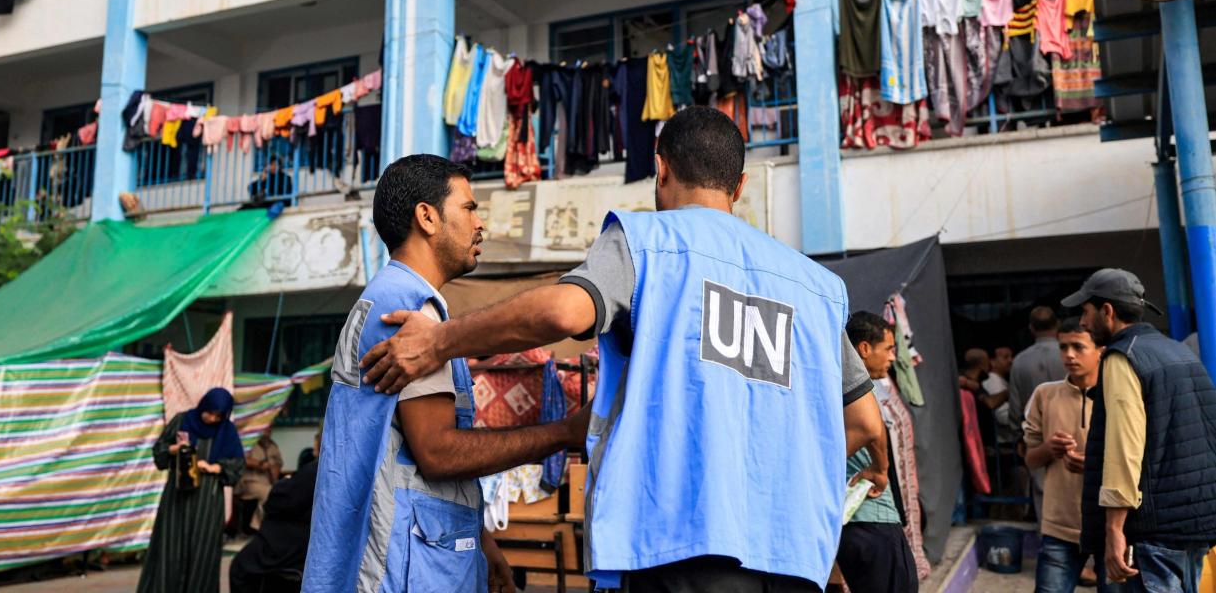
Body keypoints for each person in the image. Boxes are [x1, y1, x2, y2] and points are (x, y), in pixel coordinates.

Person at [362, 107, 886, 591]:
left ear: (661, 169)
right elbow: (864, 422)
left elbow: (563, 313)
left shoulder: (647, 241)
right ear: (740, 185)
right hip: (795, 554)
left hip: (676, 547)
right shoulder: (816, 287)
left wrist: (439, 341)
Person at [302, 155, 590, 593]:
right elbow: (437, 452)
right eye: (470, 208)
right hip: (400, 567)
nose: (480, 224)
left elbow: (408, 459)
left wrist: (482, 540)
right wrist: (563, 433)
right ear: (427, 217)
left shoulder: (389, 295)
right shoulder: (411, 307)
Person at [1065, 269, 1216, 592]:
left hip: (1151, 531)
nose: (1082, 321)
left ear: (1108, 311)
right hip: (1195, 522)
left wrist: (1114, 529)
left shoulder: (1123, 357)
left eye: (1086, 311)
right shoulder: (1179, 352)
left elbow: (1124, 448)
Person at [1023, 319, 1111, 592]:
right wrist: (1049, 448)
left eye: (1078, 347)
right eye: (1063, 347)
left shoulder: (1117, 396)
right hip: (1059, 525)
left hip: (1111, 524)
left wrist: (1095, 465)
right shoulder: (1045, 395)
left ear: (1101, 351)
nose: (1069, 355)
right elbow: (1030, 459)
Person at [837, 311, 919, 593]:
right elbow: (871, 427)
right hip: (871, 516)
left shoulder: (827, 380)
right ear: (863, 349)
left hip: (846, 519)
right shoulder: (857, 389)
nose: (893, 357)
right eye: (888, 349)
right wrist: (880, 469)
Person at [137, 388, 246, 593]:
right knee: (170, 549)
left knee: (202, 554)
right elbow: (158, 452)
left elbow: (238, 466)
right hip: (177, 499)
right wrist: (173, 449)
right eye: (210, 412)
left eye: (218, 415)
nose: (212, 418)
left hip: (208, 502)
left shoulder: (227, 431)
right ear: (203, 405)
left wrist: (215, 467)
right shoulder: (182, 421)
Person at [230, 424, 322, 593]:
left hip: (294, 544)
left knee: (240, 568)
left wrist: (283, 483)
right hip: (252, 481)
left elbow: (281, 499)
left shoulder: (317, 470)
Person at [1009, 305, 1067, 521]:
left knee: (1043, 491)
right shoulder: (1072, 354)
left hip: (1037, 435)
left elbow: (1015, 407)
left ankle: (1050, 541)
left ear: (1032, 329)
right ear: (1057, 325)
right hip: (1074, 431)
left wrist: (1018, 435)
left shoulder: (1020, 361)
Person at [234, 422, 283, 536]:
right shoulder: (249, 444)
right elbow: (242, 459)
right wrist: (259, 464)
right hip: (249, 482)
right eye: (266, 430)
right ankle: (256, 527)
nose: (268, 433)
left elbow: (278, 463)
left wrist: (274, 471)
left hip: (268, 482)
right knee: (268, 492)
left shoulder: (273, 446)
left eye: (270, 430)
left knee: (275, 491)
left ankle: (271, 527)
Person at [983, 346, 1014, 444]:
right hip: (1005, 442)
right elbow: (1002, 415)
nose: (1011, 360)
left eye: (1011, 357)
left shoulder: (1001, 380)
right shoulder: (993, 381)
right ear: (992, 362)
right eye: (1005, 357)